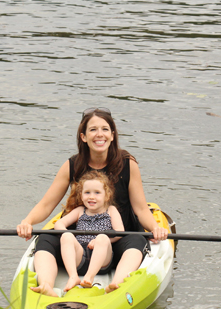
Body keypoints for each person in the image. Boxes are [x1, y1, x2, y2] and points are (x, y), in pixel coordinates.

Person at [16, 107, 169, 296]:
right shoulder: (73, 165)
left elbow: (141, 209)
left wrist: (155, 228)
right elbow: (47, 204)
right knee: (45, 238)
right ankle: (46, 285)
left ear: (112, 136)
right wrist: (28, 222)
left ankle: (117, 286)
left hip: (118, 239)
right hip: (78, 240)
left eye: (105, 129)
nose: (99, 135)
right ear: (83, 136)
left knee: (137, 240)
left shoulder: (127, 164)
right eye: (93, 129)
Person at [54, 170, 124, 293]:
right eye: (87, 193)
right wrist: (68, 235)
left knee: (102, 238)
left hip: (102, 259)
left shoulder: (111, 210)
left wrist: (97, 240)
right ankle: (73, 276)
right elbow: (59, 223)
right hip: (80, 256)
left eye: (97, 193)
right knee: (66, 236)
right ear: (81, 195)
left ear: (106, 195)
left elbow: (119, 231)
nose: (91, 197)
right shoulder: (80, 210)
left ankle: (89, 277)